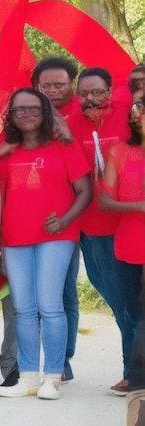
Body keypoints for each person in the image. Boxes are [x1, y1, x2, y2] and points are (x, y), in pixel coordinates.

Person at [0, 88, 92, 400]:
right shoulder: (6, 151)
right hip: (15, 237)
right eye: (19, 110)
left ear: (45, 113)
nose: (26, 114)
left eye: (33, 109)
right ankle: (28, 377)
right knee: (23, 309)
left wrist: (64, 221)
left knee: (50, 306)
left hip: (56, 237)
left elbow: (85, 191)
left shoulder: (64, 146)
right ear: (12, 115)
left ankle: (53, 377)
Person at [70, 66, 134, 395]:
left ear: (111, 90)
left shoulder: (129, 116)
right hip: (90, 228)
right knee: (113, 299)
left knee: (128, 303)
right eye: (84, 93)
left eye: (97, 92)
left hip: (127, 227)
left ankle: (132, 372)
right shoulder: (70, 124)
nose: (91, 98)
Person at [31, 56, 82, 381]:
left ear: (72, 85)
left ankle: (61, 360)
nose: (52, 91)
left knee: (64, 293)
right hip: (37, 220)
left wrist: (68, 133)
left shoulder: (85, 112)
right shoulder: (29, 115)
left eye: (59, 85)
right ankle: (48, 361)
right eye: (45, 85)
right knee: (39, 296)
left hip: (78, 218)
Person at [99, 93, 145, 413]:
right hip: (130, 242)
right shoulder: (119, 151)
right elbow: (104, 202)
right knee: (134, 313)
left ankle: (138, 380)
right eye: (136, 108)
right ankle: (135, 376)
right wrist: (138, 206)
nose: (138, 112)